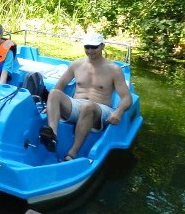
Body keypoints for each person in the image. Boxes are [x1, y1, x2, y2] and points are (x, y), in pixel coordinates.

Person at [42, 32, 132, 161]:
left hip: (101, 111)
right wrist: (51, 105)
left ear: (102, 46)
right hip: (77, 105)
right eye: (87, 47)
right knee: (54, 93)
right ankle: (52, 136)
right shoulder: (76, 64)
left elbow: (127, 98)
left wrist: (119, 111)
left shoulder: (114, 69)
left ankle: (71, 154)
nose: (90, 50)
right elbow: (60, 85)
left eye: (94, 47)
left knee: (87, 106)